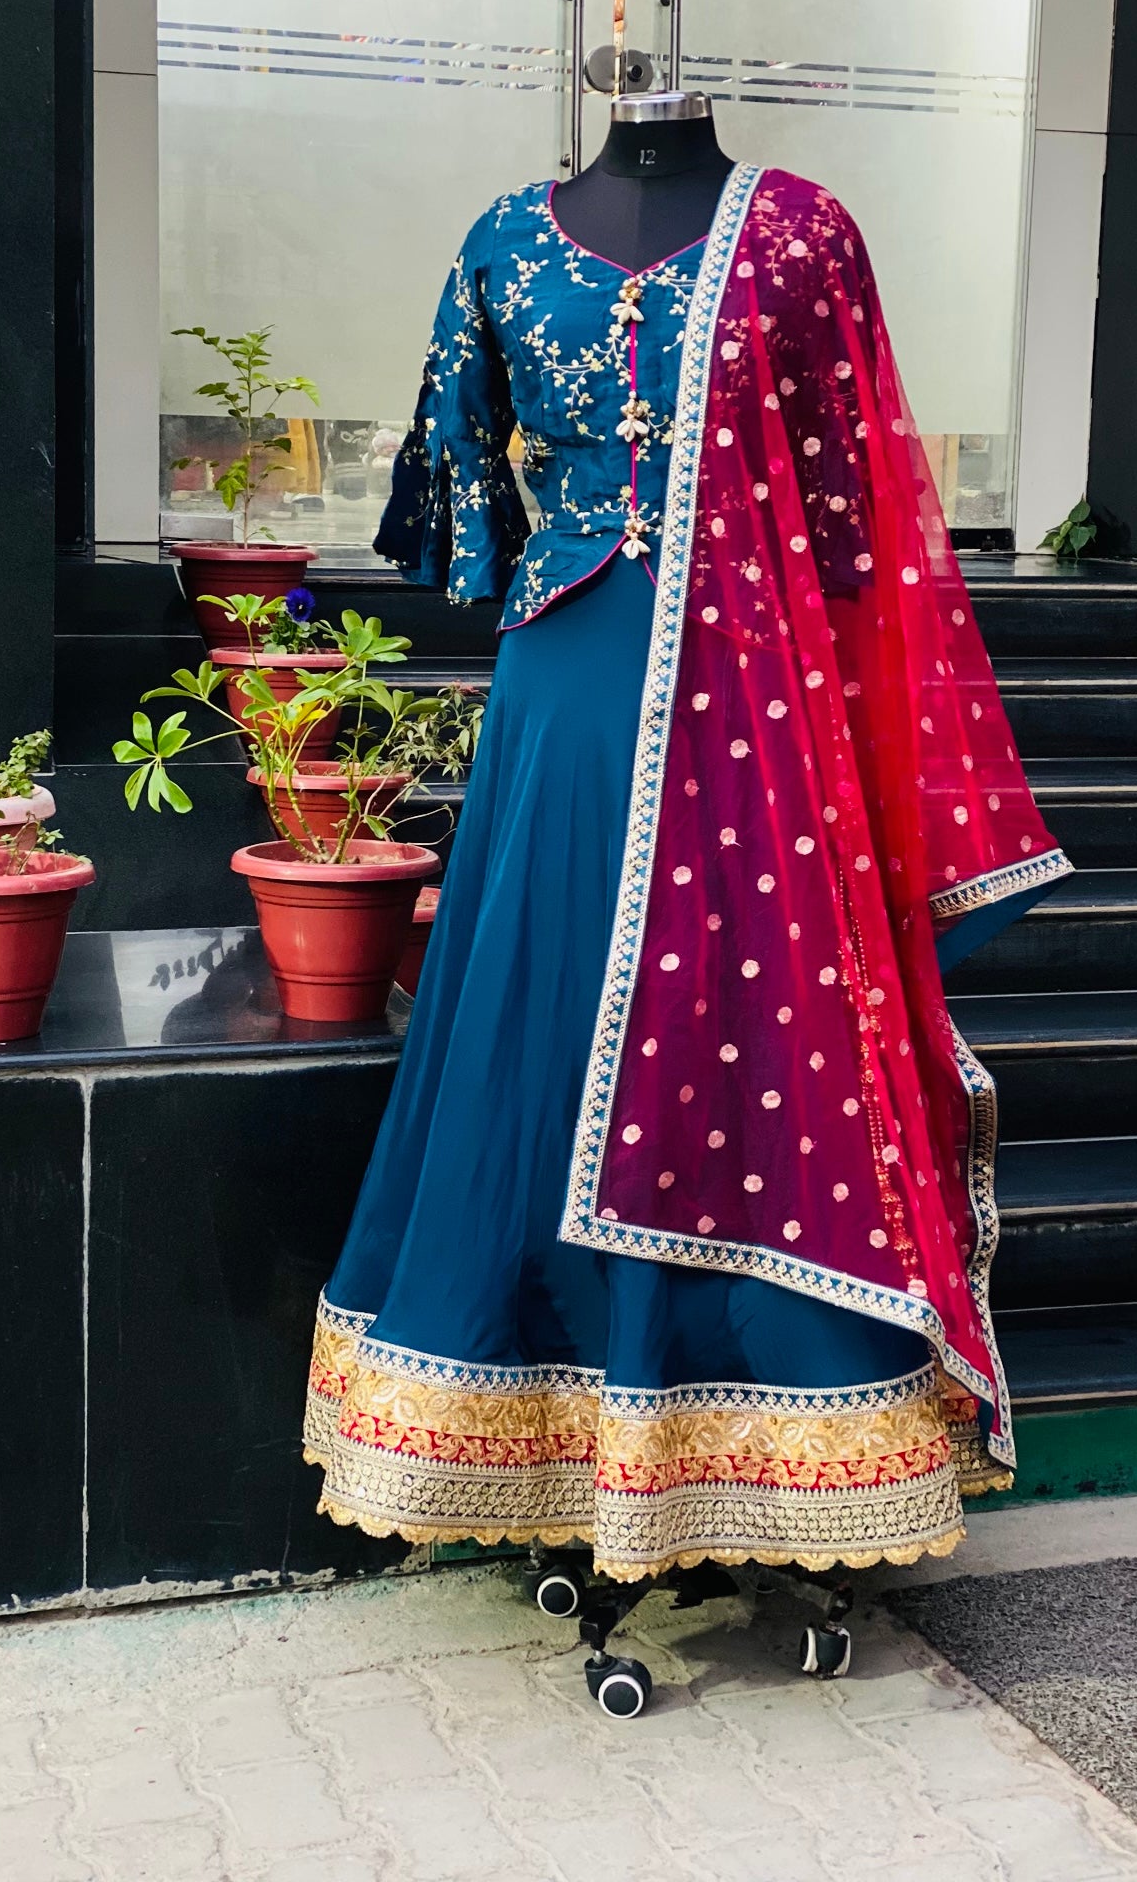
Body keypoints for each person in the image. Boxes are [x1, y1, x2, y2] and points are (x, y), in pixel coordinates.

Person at [303, 152, 1070, 1584]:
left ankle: (740, 1441)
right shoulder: (505, 237)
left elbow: (845, 504)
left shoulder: (800, 233)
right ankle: (572, 1433)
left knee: (747, 1032)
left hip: (747, 693)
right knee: (544, 1036)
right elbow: (468, 481)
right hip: (586, 697)